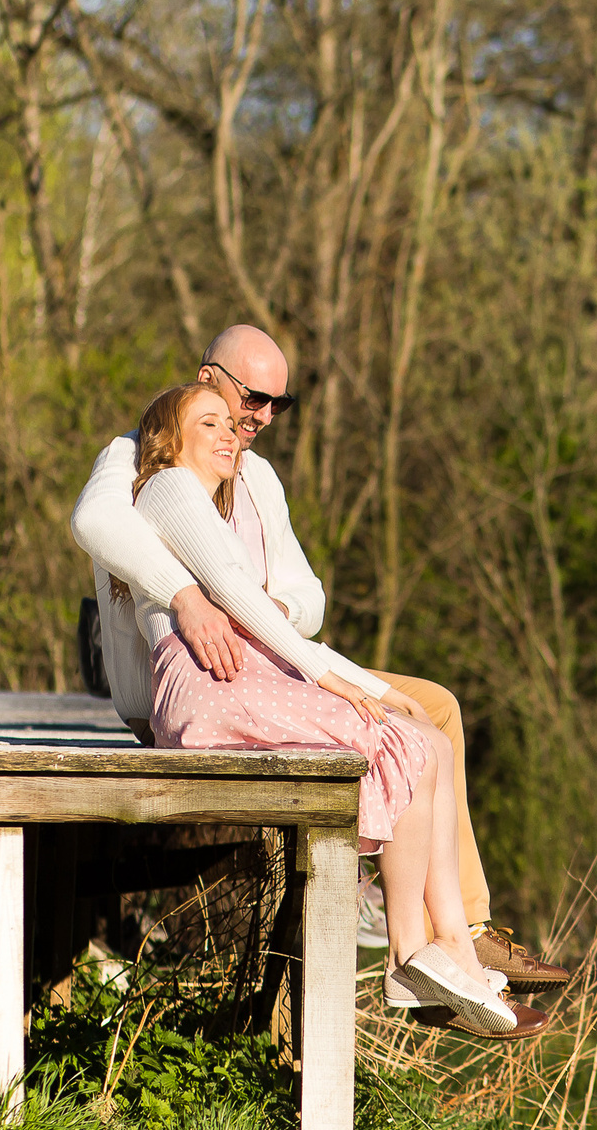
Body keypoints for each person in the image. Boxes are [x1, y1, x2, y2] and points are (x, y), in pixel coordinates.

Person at [70, 325, 566, 1000]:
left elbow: (309, 598)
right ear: (205, 375)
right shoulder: (134, 458)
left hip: (276, 657)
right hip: (205, 680)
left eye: (279, 403)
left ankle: (456, 929)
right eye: (252, 397)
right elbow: (98, 523)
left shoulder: (258, 479)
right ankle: (426, 936)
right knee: (402, 728)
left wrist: (262, 608)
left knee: (435, 707)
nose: (262, 416)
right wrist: (188, 597)